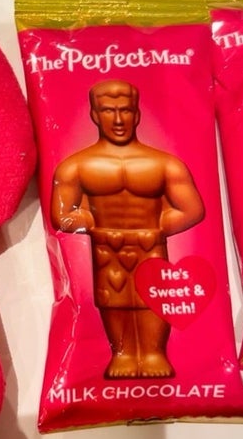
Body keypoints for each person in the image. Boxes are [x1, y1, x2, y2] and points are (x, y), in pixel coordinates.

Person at [51, 79, 204, 379]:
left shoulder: (165, 164)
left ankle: (154, 353)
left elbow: (192, 209)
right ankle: (122, 353)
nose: (118, 119)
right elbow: (62, 215)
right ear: (95, 114)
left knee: (153, 296)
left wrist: (156, 228)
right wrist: (94, 224)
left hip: (151, 245)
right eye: (109, 111)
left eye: (125, 110)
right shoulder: (75, 167)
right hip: (106, 247)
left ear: (137, 114)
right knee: (113, 299)